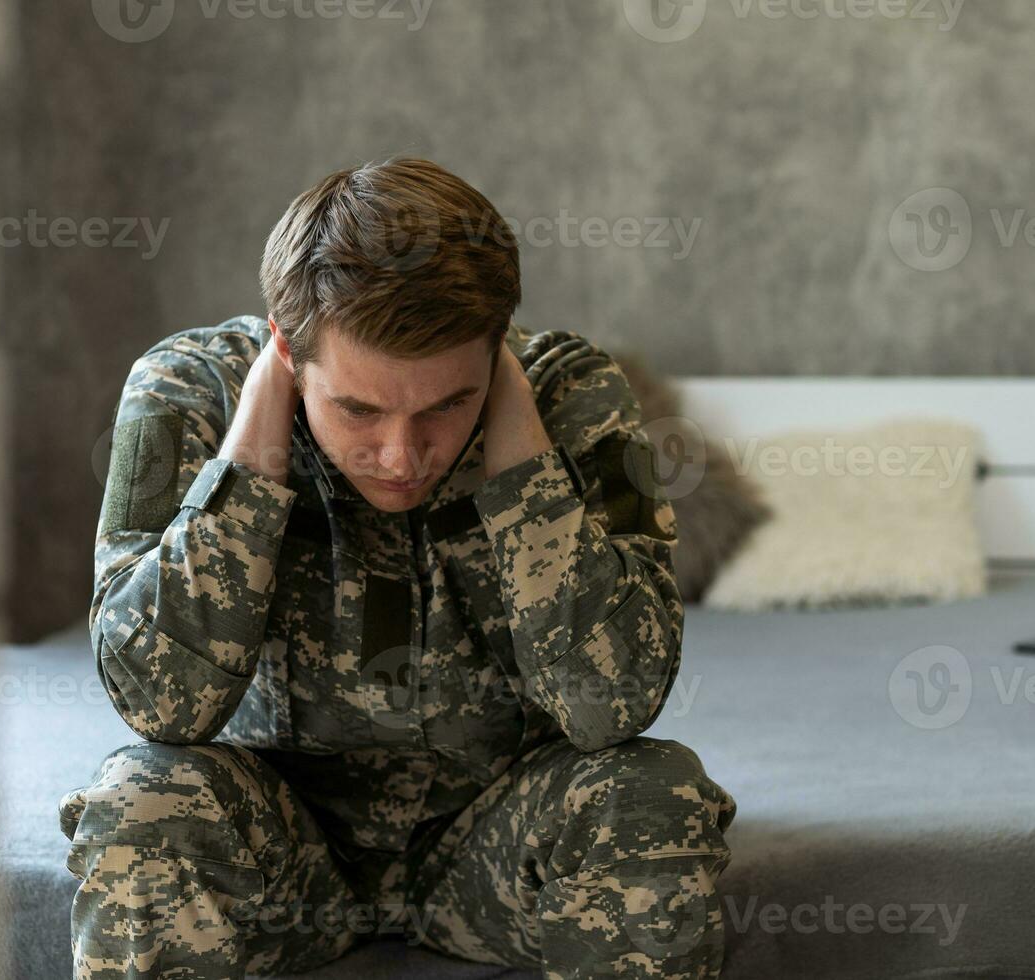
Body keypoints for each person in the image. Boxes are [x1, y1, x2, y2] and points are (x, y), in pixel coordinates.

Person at [59, 156, 736, 979]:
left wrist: (521, 466)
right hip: (277, 849)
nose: (401, 456)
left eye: (449, 404)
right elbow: (158, 703)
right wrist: (251, 464)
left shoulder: (577, 396)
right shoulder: (185, 390)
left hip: (496, 840)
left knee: (651, 791)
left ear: (496, 355)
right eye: (358, 408)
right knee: (142, 798)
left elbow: (616, 704)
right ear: (286, 346)